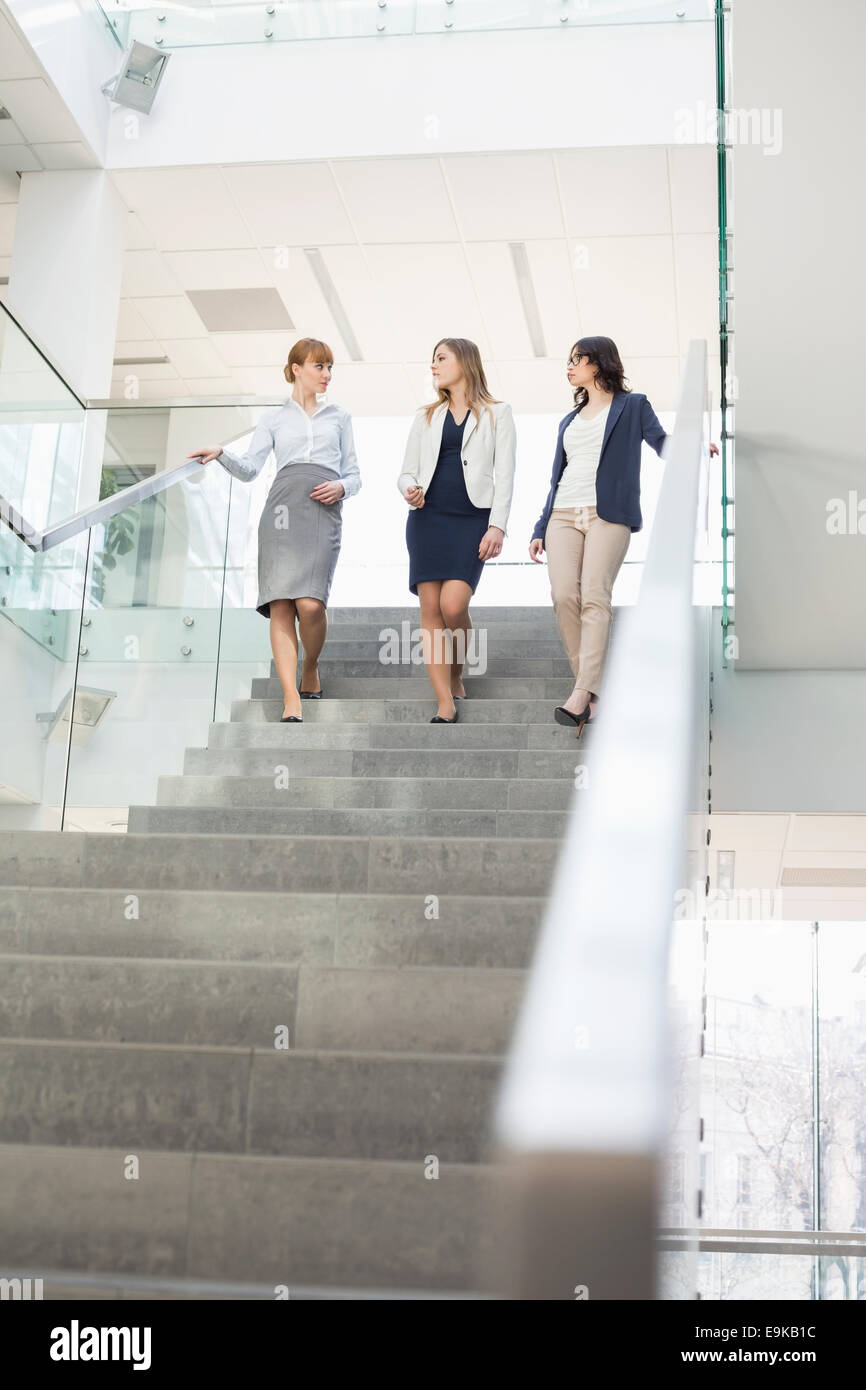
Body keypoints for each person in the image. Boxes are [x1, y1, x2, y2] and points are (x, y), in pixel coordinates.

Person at [530, 335, 717, 736]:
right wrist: (540, 525)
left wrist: (695, 446)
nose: (570, 367)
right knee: (564, 595)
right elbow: (557, 477)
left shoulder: (633, 406)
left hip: (607, 514)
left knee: (595, 595)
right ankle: (592, 692)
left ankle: (580, 694)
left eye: (577, 360)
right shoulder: (568, 420)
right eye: (569, 361)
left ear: (598, 363)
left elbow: (661, 443)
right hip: (563, 514)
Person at [189, 337, 360, 723]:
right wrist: (222, 454)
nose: (327, 374)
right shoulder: (273, 419)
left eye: (330, 367)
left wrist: (342, 487)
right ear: (297, 369)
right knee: (281, 604)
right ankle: (290, 697)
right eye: (320, 366)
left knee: (311, 604)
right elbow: (251, 468)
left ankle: (310, 665)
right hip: (281, 510)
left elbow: (354, 474)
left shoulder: (340, 417)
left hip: (322, 509)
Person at [398, 337, 516, 723]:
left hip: (471, 520)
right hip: (427, 519)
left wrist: (497, 526)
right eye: (433, 360)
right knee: (430, 610)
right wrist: (409, 489)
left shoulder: (499, 412)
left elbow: (506, 474)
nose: (433, 366)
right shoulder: (425, 416)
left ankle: (456, 670)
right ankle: (444, 701)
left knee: (453, 606)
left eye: (441, 359)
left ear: (464, 362)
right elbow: (406, 471)